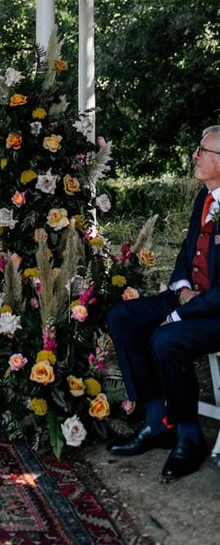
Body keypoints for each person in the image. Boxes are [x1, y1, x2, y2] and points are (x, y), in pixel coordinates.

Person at [106, 125, 220, 480]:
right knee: (122, 317)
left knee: (166, 338)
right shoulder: (205, 197)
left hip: (216, 311)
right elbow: (189, 250)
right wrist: (182, 287)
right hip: (191, 297)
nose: (195, 155)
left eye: (203, 151)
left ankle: (189, 435)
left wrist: (180, 311)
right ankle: (158, 421)